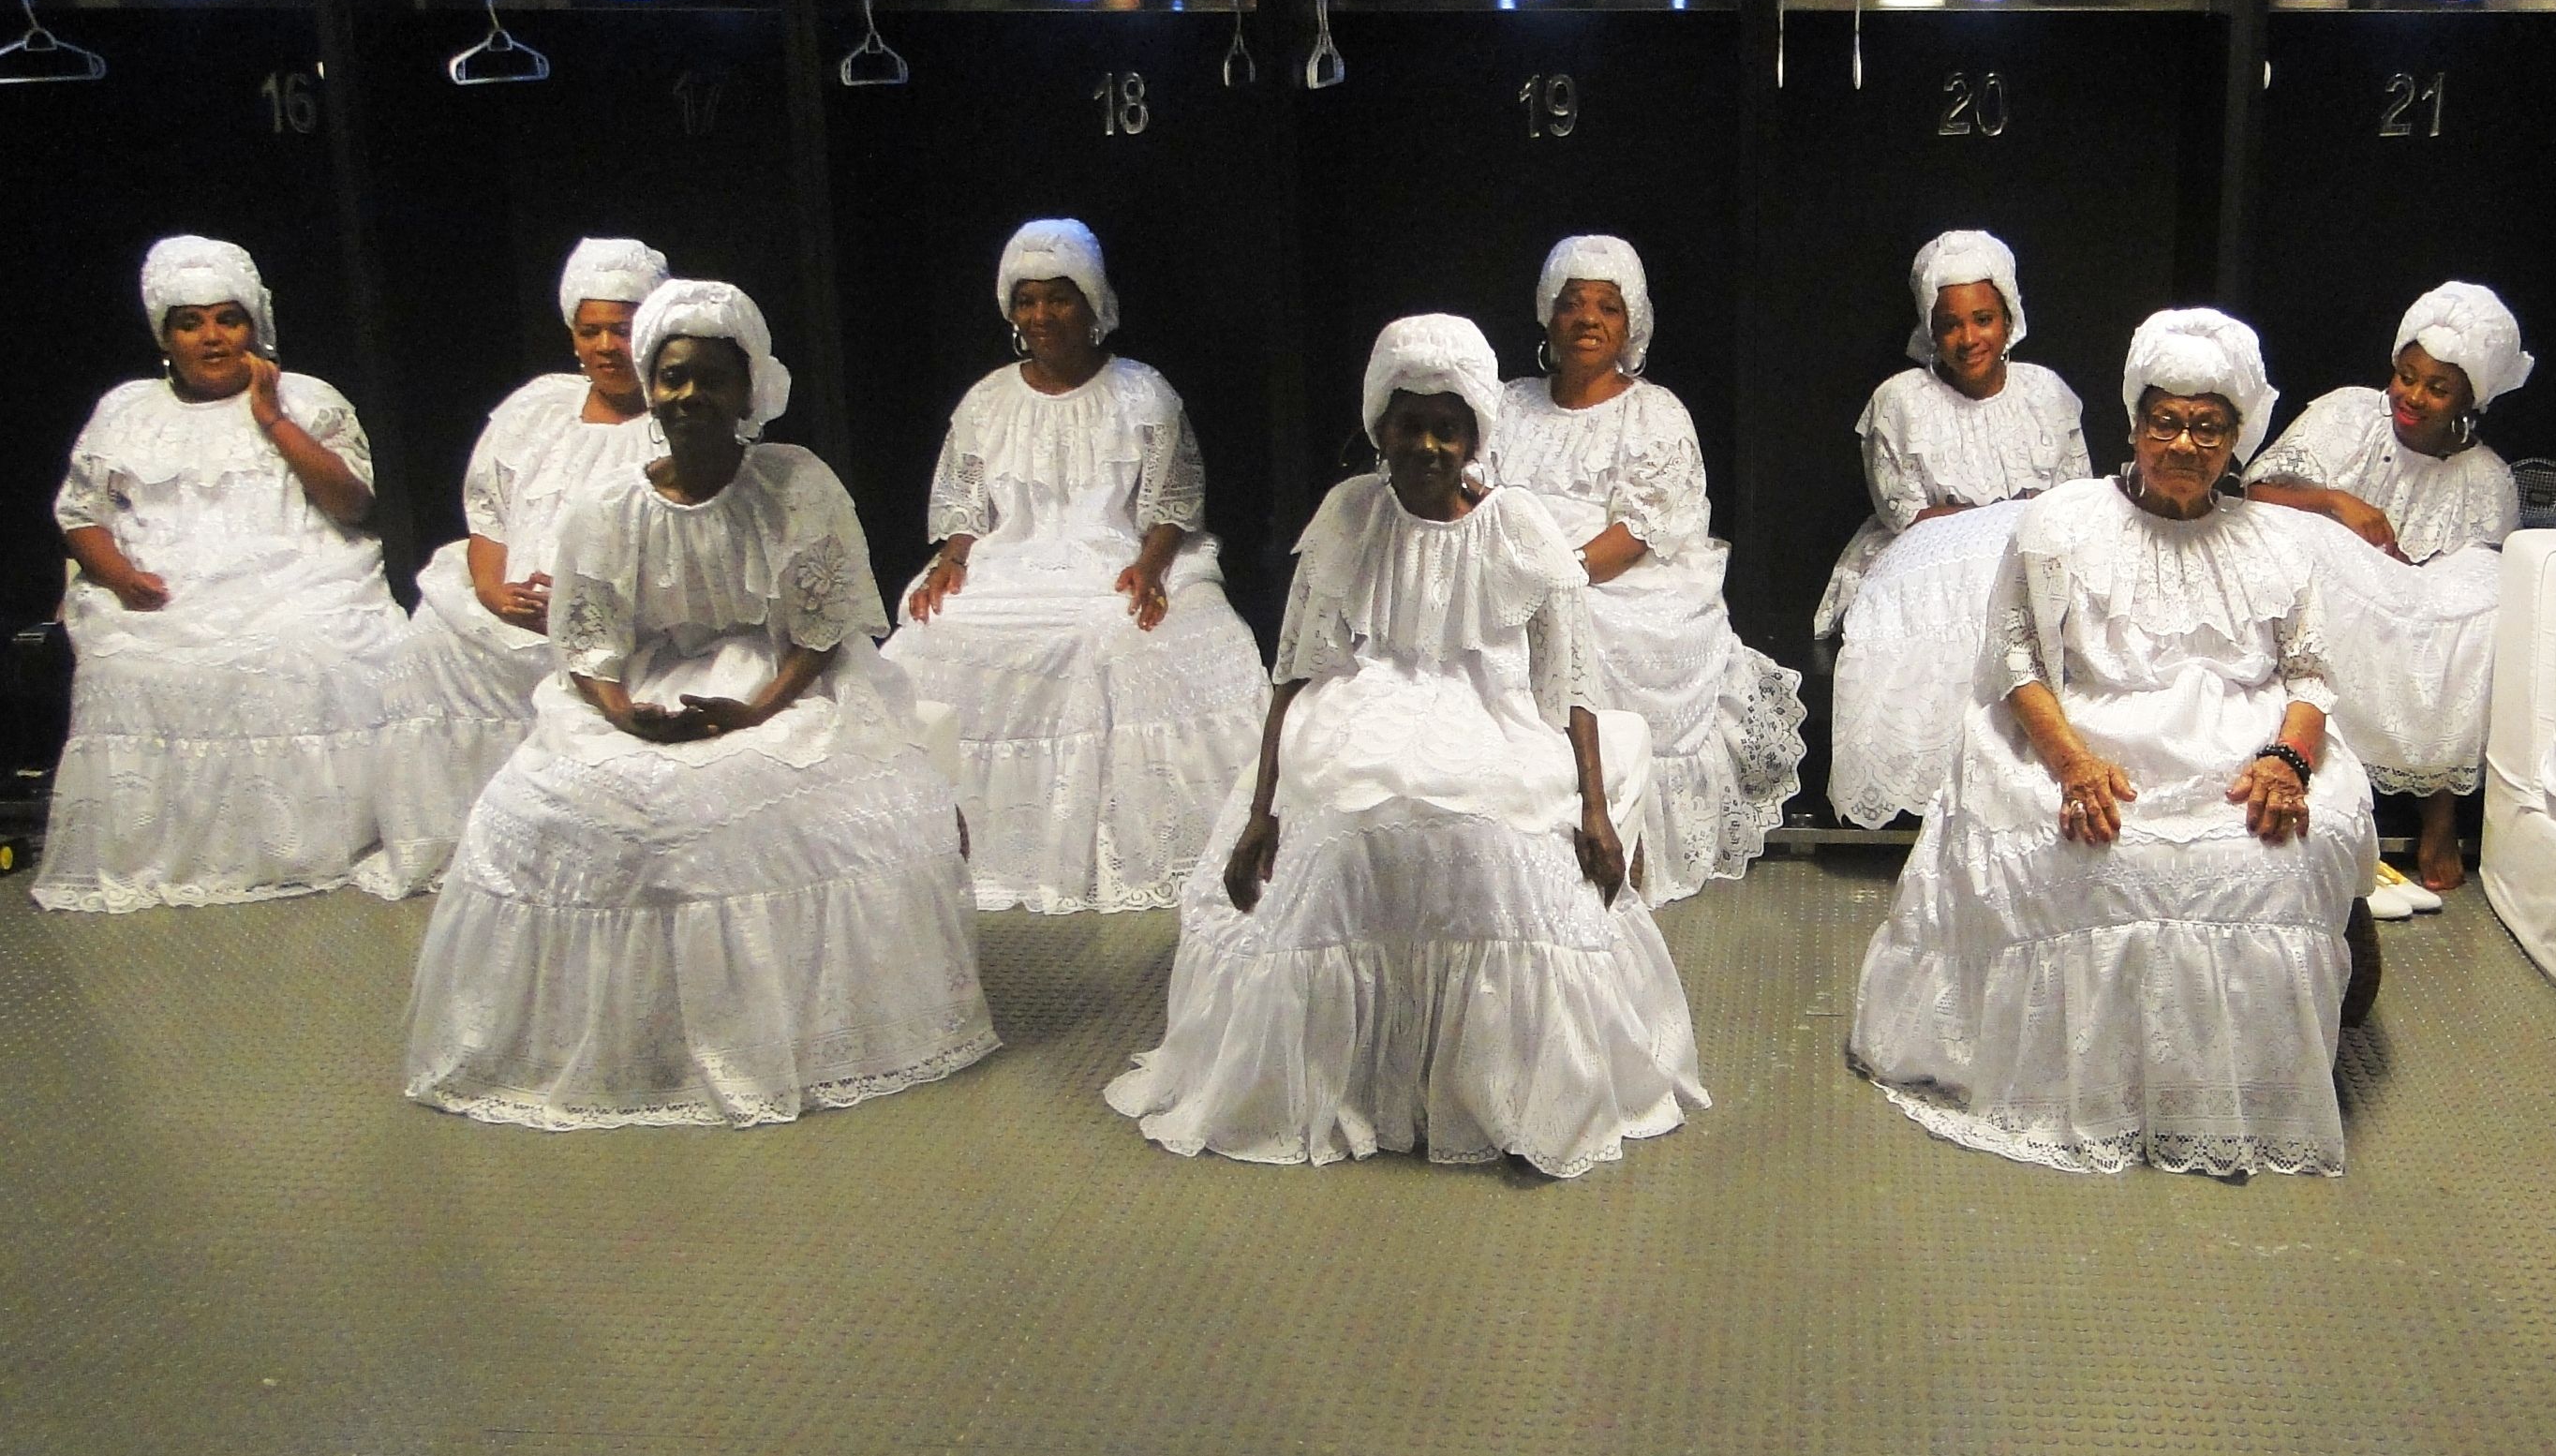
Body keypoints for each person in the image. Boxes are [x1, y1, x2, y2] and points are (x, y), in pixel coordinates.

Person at [1107, 314, 1707, 1176]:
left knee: (1494, 838)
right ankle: (1346, 1076)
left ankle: (1497, 1083)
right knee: (1343, 807)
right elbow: (1293, 669)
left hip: (1489, 708)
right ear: (1378, 428)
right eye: (1408, 424)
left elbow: (1568, 685)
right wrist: (1259, 808)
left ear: (1474, 435)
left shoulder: (1521, 529)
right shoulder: (1348, 515)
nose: (1427, 445)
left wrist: (1596, 809)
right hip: (1365, 698)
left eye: (1448, 426)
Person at [402, 280, 995, 1128]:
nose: (689, 397)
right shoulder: (608, 508)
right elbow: (587, 639)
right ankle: (621, 1037)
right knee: (541, 808)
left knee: (743, 799)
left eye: (710, 379)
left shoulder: (797, 484)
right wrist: (620, 714)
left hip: (782, 678)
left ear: (749, 390)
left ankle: (780, 1030)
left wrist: (754, 712)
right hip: (641, 682)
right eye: (673, 378)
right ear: (651, 386)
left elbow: (820, 632)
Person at [1850, 308, 2382, 1178]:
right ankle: (2090, 1085)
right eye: (2164, 421)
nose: (2183, 443)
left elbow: (2312, 676)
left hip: (2240, 739)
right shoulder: (2061, 521)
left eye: (2207, 427)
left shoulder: (2276, 541)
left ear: (2236, 437)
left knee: (2282, 848)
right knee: (2088, 851)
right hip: (2081, 730)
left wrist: (2286, 760)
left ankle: (2234, 1089)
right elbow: (2017, 658)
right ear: (2133, 423)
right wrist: (2070, 763)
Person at [882, 219, 1268, 913]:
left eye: (1058, 298)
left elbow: (1172, 504)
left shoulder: (1144, 392)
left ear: (1092, 303)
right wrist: (951, 558)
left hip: (1117, 556)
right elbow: (966, 505)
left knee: (1120, 636)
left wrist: (1150, 568)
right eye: (1027, 300)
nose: (1041, 315)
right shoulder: (988, 399)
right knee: (927, 636)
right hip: (1015, 563)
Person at [37, 236, 405, 910]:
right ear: (166, 335)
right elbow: (79, 513)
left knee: (309, 647)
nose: (211, 337)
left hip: (298, 571)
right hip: (165, 584)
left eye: (227, 319)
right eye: (190, 322)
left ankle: (314, 844)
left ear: (254, 325)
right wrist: (119, 575)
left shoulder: (310, 398)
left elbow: (353, 504)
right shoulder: (127, 409)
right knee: (135, 664)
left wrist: (273, 422)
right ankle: (163, 851)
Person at [1481, 233, 1805, 902]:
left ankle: (1614, 834)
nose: (1589, 319)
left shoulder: (1654, 412)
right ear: (1548, 313)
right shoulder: (1505, 405)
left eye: (1608, 306)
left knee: (1592, 637)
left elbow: (1637, 533)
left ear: (1631, 324)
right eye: (1572, 303)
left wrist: (1554, 579)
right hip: (1506, 564)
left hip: (1610, 578)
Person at [361, 237, 670, 897]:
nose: (607, 347)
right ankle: (459, 841)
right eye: (592, 331)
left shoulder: (680, 419)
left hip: (622, 612)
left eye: (623, 328)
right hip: (511, 600)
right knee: (431, 643)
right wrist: (493, 591)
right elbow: (488, 512)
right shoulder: (538, 408)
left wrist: (583, 604)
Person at [2244, 281, 2526, 899]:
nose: (2413, 396)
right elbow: (2254, 496)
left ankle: (2440, 815)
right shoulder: (2348, 415)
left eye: (2437, 387)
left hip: (2422, 609)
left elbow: (2470, 582)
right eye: (2407, 375)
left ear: (2468, 400)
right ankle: (2323, 779)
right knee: (2312, 547)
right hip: (2344, 589)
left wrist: (2411, 578)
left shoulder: (2488, 479)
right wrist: (2336, 503)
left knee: (2485, 597)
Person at [1818, 230, 2090, 826]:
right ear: (1930, 328)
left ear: (2009, 317)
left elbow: (2076, 501)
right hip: (1924, 557)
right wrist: (2006, 510)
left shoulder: (2048, 394)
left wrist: (2014, 516)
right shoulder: (1900, 401)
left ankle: (2037, 783)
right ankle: (1938, 797)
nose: (1969, 339)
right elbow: (1907, 515)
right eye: (1951, 324)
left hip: (2035, 548)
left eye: (1984, 319)